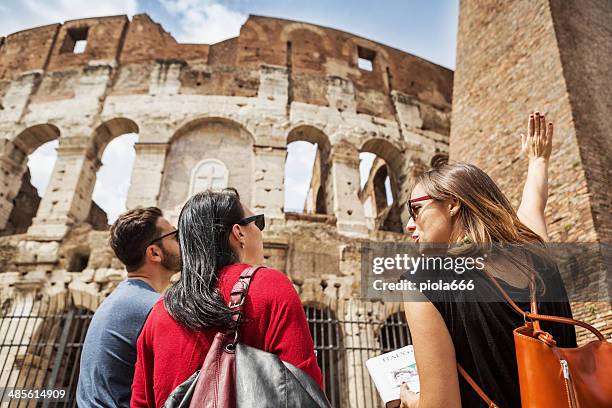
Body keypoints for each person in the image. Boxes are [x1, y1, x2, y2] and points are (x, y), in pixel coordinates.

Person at [399, 112, 577, 407]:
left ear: (453, 203)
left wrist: (411, 400)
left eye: (415, 209)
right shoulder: (536, 256)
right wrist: (538, 160)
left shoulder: (423, 283)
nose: (409, 224)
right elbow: (534, 202)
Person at [131, 188, 323, 407]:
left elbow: (141, 401)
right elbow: (304, 388)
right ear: (239, 232)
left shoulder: (159, 311)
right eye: (257, 223)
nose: (261, 231)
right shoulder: (271, 285)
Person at [76, 207, 181, 408]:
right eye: (175, 236)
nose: (182, 241)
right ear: (155, 252)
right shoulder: (155, 308)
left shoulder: (117, 299)